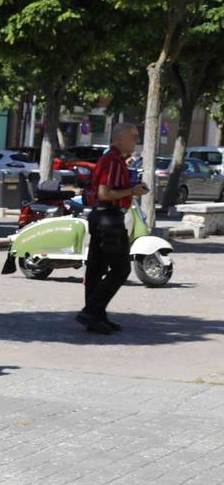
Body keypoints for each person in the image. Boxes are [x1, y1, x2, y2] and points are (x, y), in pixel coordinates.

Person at [78, 122, 147, 335]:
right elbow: (104, 193)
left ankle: (96, 316)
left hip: (101, 217)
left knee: (96, 270)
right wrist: (132, 191)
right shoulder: (114, 161)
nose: (136, 140)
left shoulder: (111, 159)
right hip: (109, 218)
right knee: (121, 269)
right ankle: (91, 311)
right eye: (133, 136)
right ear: (119, 138)